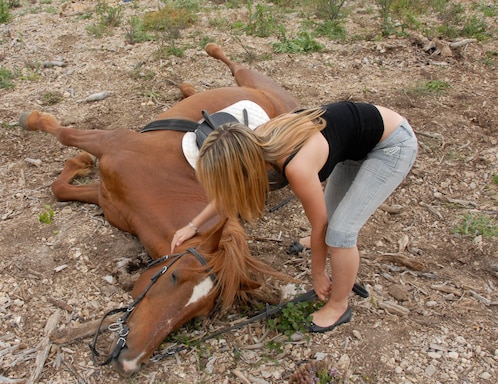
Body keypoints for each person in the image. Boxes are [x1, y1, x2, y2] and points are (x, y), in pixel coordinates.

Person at [170, 101, 418, 333]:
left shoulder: (297, 166)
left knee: (340, 233)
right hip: (355, 147)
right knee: (329, 227)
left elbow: (319, 224)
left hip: (391, 145)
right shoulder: (254, 142)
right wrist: (193, 225)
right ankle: (319, 247)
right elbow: (232, 191)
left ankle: (339, 305)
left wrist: (318, 272)